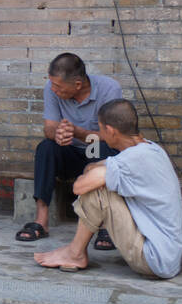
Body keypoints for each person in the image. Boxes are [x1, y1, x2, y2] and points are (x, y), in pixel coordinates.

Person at [35, 99, 182, 278]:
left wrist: (94, 176)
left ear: (111, 131)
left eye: (101, 130)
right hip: (166, 258)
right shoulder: (151, 149)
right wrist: (95, 173)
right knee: (101, 181)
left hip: (153, 259)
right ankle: (75, 252)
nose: (101, 136)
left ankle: (75, 254)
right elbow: (94, 168)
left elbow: (79, 187)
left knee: (97, 190)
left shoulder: (133, 160)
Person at [16, 52, 123, 245]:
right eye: (52, 84)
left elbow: (112, 137)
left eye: (58, 86)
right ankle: (41, 219)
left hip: (96, 153)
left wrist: (78, 133)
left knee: (108, 151)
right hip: (71, 152)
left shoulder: (109, 89)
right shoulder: (52, 87)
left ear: (78, 85)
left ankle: (106, 224)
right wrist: (57, 134)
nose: (54, 89)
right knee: (46, 148)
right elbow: (49, 126)